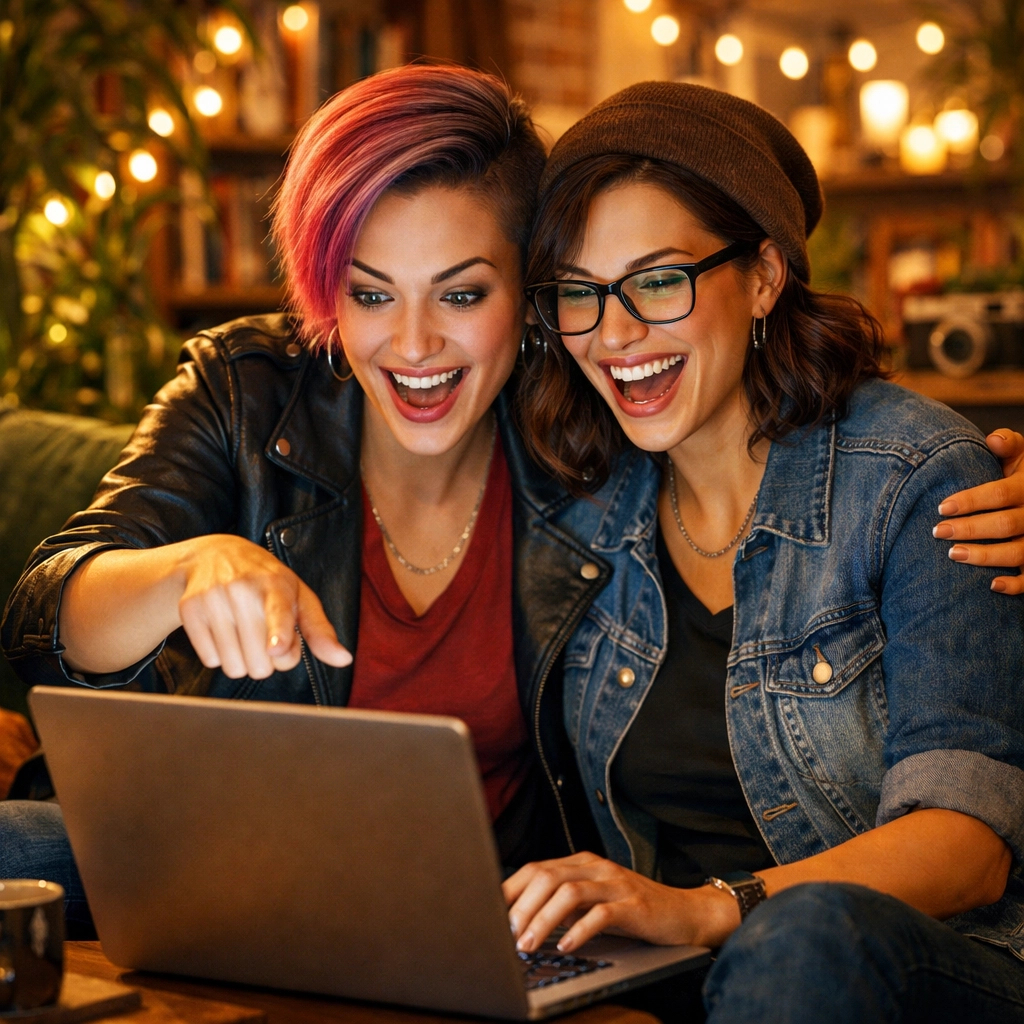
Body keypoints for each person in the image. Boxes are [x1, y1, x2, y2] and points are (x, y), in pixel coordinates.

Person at [1, 64, 1023, 963]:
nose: (412, 346)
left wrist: (976, 469)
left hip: (497, 908)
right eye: (367, 294)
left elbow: (790, 427)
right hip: (227, 858)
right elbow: (45, 618)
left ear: (522, 301)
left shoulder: (579, 436)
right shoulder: (254, 389)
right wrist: (184, 570)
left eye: (460, 294)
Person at [504, 81, 1024, 1023]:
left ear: (765, 277)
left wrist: (711, 910)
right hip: (681, 983)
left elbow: (967, 843)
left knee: (805, 937)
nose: (615, 335)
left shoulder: (913, 479)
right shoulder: (583, 506)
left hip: (921, 974)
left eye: (658, 280)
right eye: (580, 293)